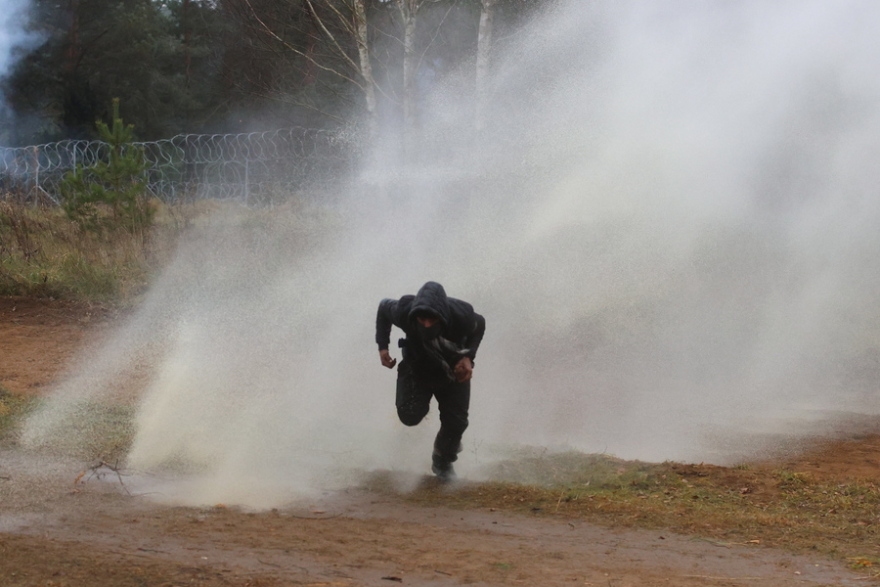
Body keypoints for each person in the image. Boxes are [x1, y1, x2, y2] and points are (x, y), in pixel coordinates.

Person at [375, 281, 486, 481]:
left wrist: (468, 356)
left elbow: (480, 326)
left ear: (442, 317)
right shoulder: (404, 312)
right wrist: (383, 346)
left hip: (453, 370)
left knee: (456, 423)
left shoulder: (462, 317)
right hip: (416, 368)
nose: (426, 324)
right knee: (410, 415)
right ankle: (414, 423)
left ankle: (442, 461)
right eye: (422, 319)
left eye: (432, 320)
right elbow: (383, 308)